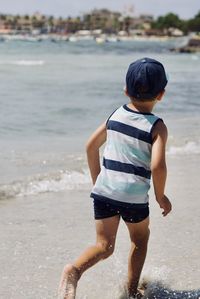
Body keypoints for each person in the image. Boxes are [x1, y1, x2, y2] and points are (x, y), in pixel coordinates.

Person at [58, 57, 172, 299]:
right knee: (140, 239)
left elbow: (90, 147)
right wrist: (161, 196)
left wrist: (98, 181)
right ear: (161, 94)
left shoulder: (116, 115)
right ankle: (131, 293)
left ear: (125, 90)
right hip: (133, 196)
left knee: (103, 246)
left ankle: (74, 270)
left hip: (104, 192)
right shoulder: (157, 126)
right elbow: (158, 166)